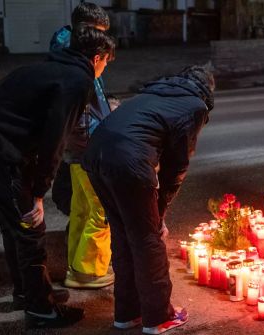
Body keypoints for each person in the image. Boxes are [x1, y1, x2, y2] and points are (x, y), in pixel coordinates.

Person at [0, 25, 115, 328]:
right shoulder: (77, 81)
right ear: (97, 58)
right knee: (29, 223)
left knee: (13, 221)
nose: (105, 68)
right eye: (107, 62)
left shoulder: (55, 67)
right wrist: (39, 194)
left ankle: (27, 293)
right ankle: (41, 310)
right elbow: (55, 141)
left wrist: (31, 183)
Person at [82, 65, 215, 333]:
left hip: (95, 155)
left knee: (122, 234)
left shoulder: (154, 93)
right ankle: (158, 316)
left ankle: (127, 313)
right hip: (127, 161)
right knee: (146, 240)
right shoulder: (194, 107)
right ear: (207, 91)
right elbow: (175, 166)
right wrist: (159, 214)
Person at [50, 2, 115, 289]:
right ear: (83, 29)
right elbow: (83, 110)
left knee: (82, 209)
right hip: (86, 145)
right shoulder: (76, 58)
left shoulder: (68, 53)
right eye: (97, 33)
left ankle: (76, 265)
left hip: (78, 146)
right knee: (102, 209)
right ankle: (89, 271)